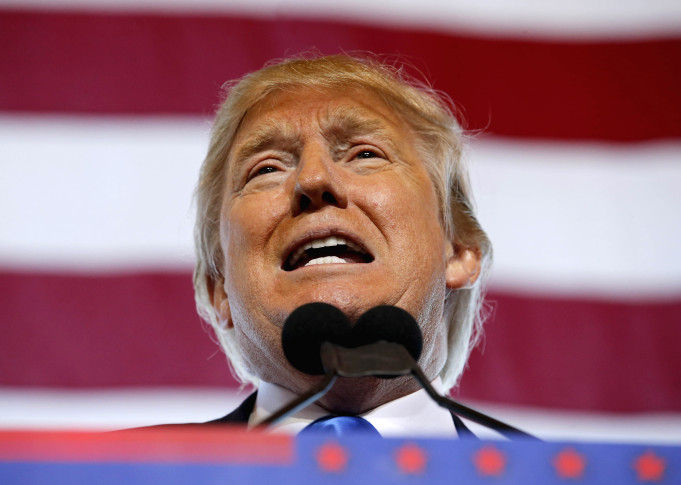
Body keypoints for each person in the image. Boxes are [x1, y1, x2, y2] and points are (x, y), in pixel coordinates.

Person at [193, 54, 492, 436]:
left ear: (458, 249)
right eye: (266, 169)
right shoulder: (110, 472)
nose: (313, 179)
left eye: (365, 154)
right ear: (218, 287)